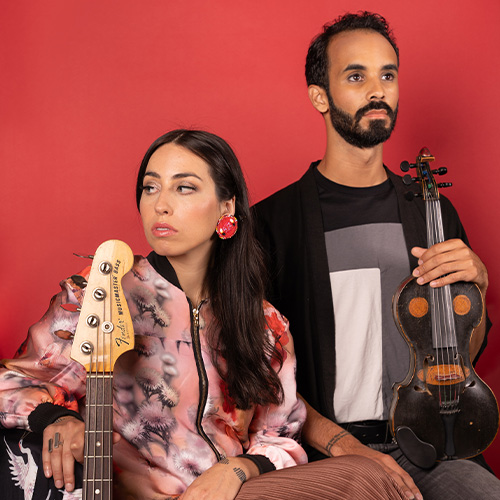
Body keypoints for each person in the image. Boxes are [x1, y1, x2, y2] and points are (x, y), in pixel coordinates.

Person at [0, 129, 407, 499]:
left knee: (365, 476)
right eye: (150, 187)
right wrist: (57, 418)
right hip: (129, 492)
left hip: (228, 494)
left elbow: (279, 434)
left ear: (225, 207)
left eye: (185, 188)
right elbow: (12, 380)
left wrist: (238, 470)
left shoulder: (263, 323)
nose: (161, 204)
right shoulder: (104, 290)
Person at [252, 11, 500, 500]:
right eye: (356, 75)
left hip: (431, 446)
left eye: (388, 74)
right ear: (318, 96)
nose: (378, 90)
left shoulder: (433, 211)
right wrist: (345, 448)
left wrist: (481, 288)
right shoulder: (272, 224)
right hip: (325, 451)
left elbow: (458, 363)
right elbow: (256, 370)